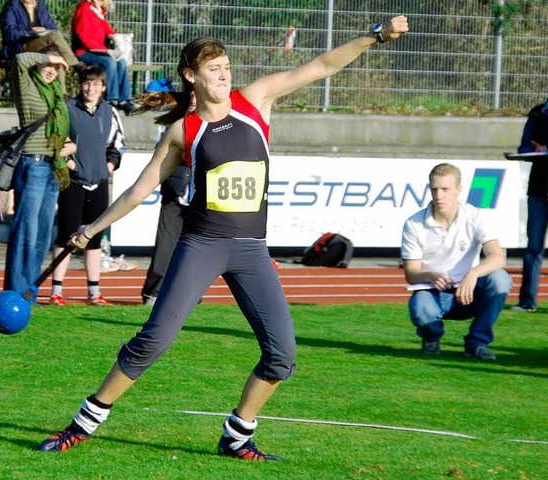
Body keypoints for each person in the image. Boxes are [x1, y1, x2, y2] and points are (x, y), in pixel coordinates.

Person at [39, 16, 409, 459]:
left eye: (227, 66)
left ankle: (237, 435)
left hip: (252, 249)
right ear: (191, 76)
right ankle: (83, 424)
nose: (224, 74)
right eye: (214, 68)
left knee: (282, 356)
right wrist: (90, 229)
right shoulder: (183, 130)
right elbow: (140, 190)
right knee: (154, 340)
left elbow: (323, 66)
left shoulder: (254, 101)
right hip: (203, 244)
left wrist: (375, 35)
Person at [401, 163, 512, 361]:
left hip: (470, 291)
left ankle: (477, 343)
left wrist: (473, 273)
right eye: (434, 189)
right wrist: (429, 275)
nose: (439, 195)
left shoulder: (476, 216)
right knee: (421, 308)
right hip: (434, 291)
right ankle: (431, 338)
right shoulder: (414, 224)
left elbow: (497, 257)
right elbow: (411, 273)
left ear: (459, 190)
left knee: (500, 279)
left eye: (445, 189)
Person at [49, 65, 125, 307]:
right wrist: (70, 164)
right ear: (80, 85)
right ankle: (56, 292)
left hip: (99, 182)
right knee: (66, 237)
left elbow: (117, 146)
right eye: (86, 83)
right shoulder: (68, 109)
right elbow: (55, 141)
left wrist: (109, 167)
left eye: (95, 84)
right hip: (74, 183)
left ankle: (94, 292)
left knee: (93, 239)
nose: (90, 88)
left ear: (103, 87)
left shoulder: (110, 112)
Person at [3, 46, 72, 303]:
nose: (52, 71)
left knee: (43, 237)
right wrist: (50, 56)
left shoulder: (56, 95)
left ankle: (29, 293)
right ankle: (16, 292)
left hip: (53, 167)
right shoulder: (27, 85)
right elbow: (20, 59)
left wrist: (70, 147)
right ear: (39, 63)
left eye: (56, 68)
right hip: (32, 165)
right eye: (48, 66)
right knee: (26, 233)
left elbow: (62, 131)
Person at [141, 92, 196, 306]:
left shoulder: (213, 124)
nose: (193, 103)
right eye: (190, 100)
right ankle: (153, 292)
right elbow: (161, 155)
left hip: (201, 196)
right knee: (165, 244)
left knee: (195, 248)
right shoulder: (174, 126)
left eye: (197, 100)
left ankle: (191, 294)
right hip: (175, 191)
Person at [511, 99, 548, 313]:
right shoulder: (536, 113)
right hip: (537, 190)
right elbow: (524, 146)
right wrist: (538, 150)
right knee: (533, 248)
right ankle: (527, 302)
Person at [71, 0, 133, 115]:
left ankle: (124, 100)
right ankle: (109, 98)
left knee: (121, 61)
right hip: (85, 52)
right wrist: (103, 50)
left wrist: (115, 39)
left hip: (100, 51)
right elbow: (83, 34)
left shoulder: (98, 12)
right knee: (110, 62)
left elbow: (108, 31)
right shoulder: (84, 9)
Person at [0, 0, 79, 90]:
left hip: (40, 43)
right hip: (21, 46)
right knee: (54, 35)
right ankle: (75, 65)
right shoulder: (12, 7)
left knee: (58, 56)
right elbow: (10, 33)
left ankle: (61, 95)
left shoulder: (41, 5)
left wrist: (44, 29)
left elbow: (52, 27)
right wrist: (29, 33)